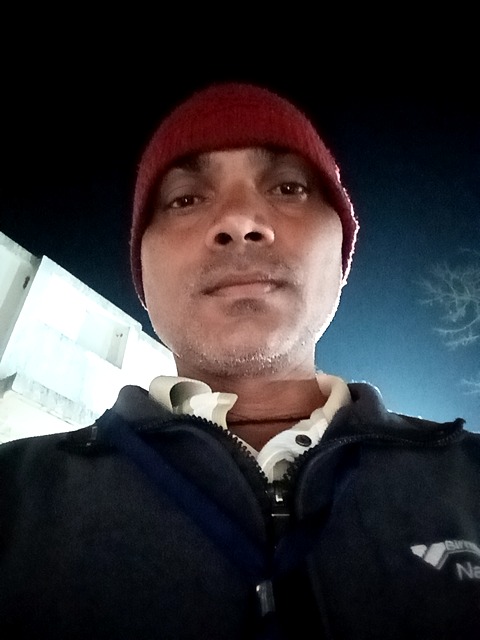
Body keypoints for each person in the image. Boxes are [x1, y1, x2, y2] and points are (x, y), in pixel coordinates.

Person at [0, 82, 479, 640]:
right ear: (143, 276)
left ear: (341, 255)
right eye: (185, 199)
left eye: (289, 187)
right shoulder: (14, 499)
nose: (239, 220)